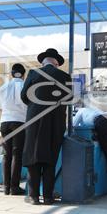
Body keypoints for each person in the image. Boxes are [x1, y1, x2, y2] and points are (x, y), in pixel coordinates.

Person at [21, 48, 72, 205]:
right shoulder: (65, 76)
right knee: (50, 158)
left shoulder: (33, 74)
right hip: (56, 121)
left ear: (43, 62)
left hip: (35, 120)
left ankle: (34, 196)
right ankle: (48, 197)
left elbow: (24, 96)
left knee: (33, 157)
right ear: (56, 63)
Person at [0, 63, 27, 196]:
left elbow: (0, 108)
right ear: (23, 74)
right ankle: (14, 187)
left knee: (6, 154)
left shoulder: (3, 87)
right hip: (19, 121)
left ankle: (6, 187)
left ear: (11, 74)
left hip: (5, 122)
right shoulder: (25, 86)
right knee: (17, 154)